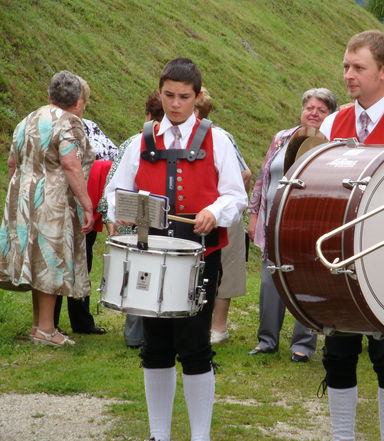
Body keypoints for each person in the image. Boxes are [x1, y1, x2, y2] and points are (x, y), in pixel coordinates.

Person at [104, 58, 247, 441]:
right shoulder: (142, 140)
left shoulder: (218, 139)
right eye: (168, 95)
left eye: (184, 97)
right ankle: (158, 434)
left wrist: (214, 211)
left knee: (195, 345)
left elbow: (236, 196)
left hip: (200, 255)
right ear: (160, 92)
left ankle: (200, 436)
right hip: (152, 254)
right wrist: (126, 210)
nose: (175, 104)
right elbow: (115, 193)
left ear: (198, 97)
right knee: (155, 345)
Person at [318, 30, 384, 441]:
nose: (348, 75)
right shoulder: (333, 121)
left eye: (358, 67)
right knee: (339, 350)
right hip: (342, 251)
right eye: (346, 66)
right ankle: (343, 436)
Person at [0, 70, 94, 346]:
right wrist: (86, 203)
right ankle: (46, 329)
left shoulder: (27, 120)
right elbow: (70, 163)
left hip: (22, 195)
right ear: (77, 98)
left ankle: (38, 325)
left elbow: (11, 162)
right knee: (49, 260)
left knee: (34, 257)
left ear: (50, 95)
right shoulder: (69, 123)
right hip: (51, 198)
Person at [247, 87, 337, 362]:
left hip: (310, 225)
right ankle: (266, 340)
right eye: (310, 108)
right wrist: (253, 215)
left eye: (321, 110)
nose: (314, 113)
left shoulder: (332, 143)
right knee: (269, 280)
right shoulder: (281, 138)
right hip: (274, 222)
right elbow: (263, 178)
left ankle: (303, 344)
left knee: (306, 281)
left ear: (330, 115)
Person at [98, 89, 165, 348]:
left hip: (133, 227)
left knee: (138, 280)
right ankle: (147, 335)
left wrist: (109, 215)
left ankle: (135, 336)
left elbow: (111, 188)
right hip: (159, 227)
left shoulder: (132, 144)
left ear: (147, 115)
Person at [53, 75, 115, 335]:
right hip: (69, 200)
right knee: (67, 260)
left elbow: (113, 153)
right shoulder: (67, 127)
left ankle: (77, 321)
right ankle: (56, 322)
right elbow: (112, 154)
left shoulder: (88, 127)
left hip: (73, 201)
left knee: (80, 260)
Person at [193, 87, 251, 345]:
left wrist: (225, 203)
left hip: (222, 214)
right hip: (197, 216)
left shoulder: (219, 136)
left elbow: (245, 174)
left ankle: (218, 327)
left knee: (223, 272)